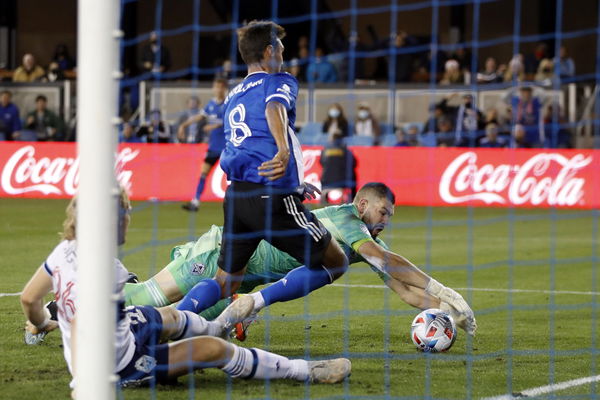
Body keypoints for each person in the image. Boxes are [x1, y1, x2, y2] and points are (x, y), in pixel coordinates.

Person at [20, 190, 351, 390]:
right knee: (211, 350)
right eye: (127, 212)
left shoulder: (64, 250)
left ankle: (216, 326)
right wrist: (85, 382)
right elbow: (81, 328)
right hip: (120, 363)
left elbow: (28, 298)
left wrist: (43, 319)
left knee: (169, 316)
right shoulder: (105, 270)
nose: (129, 218)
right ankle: (304, 371)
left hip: (123, 329)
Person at [122, 183, 477, 337]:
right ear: (363, 205)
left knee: (180, 330)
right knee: (145, 301)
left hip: (243, 283)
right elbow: (387, 261)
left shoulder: (364, 241)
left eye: (391, 216)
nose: (386, 220)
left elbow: (403, 290)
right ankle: (74, 303)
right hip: (222, 252)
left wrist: (445, 311)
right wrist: (443, 289)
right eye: (383, 211)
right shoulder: (347, 220)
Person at [184, 20, 350, 327]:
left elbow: (250, 141)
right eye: (282, 49)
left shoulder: (233, 94)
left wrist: (296, 183)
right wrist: (282, 150)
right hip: (271, 196)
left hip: (237, 195)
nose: (284, 56)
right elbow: (275, 109)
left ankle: (172, 320)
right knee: (337, 262)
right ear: (269, 51)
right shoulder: (278, 80)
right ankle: (256, 302)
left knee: (225, 282)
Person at [180, 78, 228, 212]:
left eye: (220, 87)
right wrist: (184, 124)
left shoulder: (229, 102)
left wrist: (214, 126)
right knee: (203, 172)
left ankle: (237, 202)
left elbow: (231, 120)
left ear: (224, 88)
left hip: (227, 147)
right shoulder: (211, 104)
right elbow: (200, 116)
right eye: (216, 87)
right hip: (213, 147)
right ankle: (195, 202)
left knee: (234, 177)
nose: (217, 89)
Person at [319, 132, 357, 204]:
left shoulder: (325, 150)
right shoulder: (346, 151)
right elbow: (354, 164)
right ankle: (353, 200)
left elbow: (321, 163)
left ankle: (323, 202)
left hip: (326, 181)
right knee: (353, 174)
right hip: (342, 181)